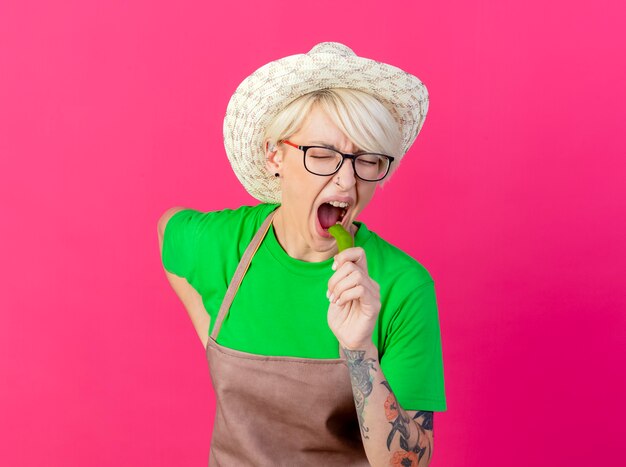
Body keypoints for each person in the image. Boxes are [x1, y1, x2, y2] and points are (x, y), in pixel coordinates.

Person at [158, 42, 447, 467]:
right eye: (324, 155)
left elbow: (408, 463)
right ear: (275, 156)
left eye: (367, 160)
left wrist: (360, 347)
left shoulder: (404, 285)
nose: (347, 182)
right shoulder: (225, 242)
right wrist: (210, 334)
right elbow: (168, 228)